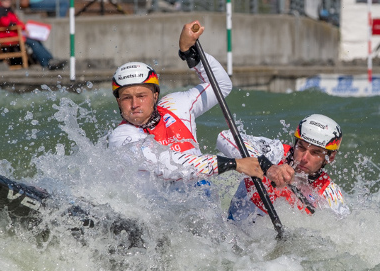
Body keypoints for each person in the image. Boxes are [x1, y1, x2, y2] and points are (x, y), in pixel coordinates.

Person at [107, 20, 263, 183]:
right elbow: (167, 165)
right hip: (159, 199)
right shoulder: (121, 137)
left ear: (155, 96)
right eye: (126, 98)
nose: (134, 104)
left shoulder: (175, 105)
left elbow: (221, 85)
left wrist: (189, 53)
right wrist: (233, 164)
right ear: (118, 101)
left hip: (202, 195)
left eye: (141, 96)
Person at [217, 114, 349, 225]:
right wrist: (268, 166)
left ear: (330, 157)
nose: (304, 158)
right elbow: (224, 137)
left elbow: (343, 234)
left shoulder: (329, 194)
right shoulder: (275, 152)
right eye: (301, 147)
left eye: (315, 152)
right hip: (231, 233)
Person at [0, 0, 66, 70]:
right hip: (6, 36)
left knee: (36, 40)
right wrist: (22, 27)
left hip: (14, 34)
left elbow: (16, 21)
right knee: (33, 42)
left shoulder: (7, 10)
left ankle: (50, 59)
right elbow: (6, 23)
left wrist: (23, 27)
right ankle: (46, 63)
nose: (9, 2)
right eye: (6, 1)